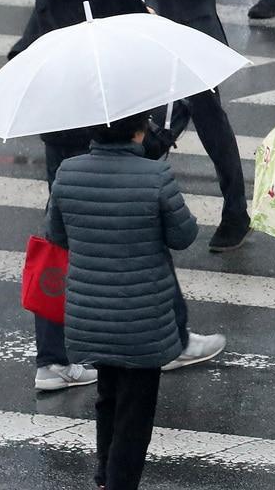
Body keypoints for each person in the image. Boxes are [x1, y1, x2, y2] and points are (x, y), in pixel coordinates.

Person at [12, 0, 226, 392]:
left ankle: (51, 359)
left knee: (62, 242)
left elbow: (23, 52)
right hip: (110, 139)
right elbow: (143, 66)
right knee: (143, 233)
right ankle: (172, 337)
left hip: (61, 142)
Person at [46, 111, 199, 490]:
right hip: (144, 318)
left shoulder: (68, 171)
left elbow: (56, 235)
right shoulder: (155, 176)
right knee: (136, 410)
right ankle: (119, 483)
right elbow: (184, 236)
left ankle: (104, 475)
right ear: (138, 131)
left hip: (90, 313)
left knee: (107, 397)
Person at [136, 0, 249, 252]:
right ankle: (138, 208)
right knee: (151, 126)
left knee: (211, 127)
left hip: (194, 37)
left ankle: (236, 212)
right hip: (151, 34)